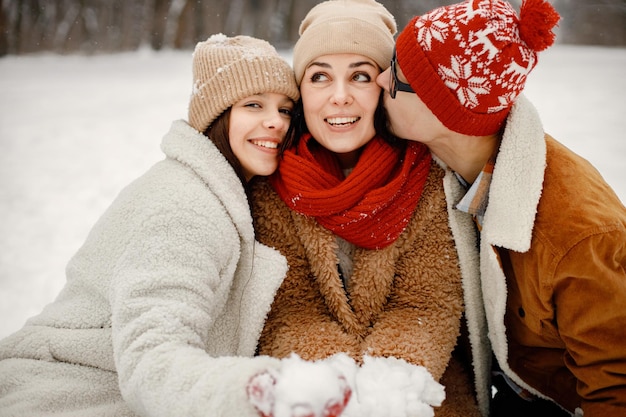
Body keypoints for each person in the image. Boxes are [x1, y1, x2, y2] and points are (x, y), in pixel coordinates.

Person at [0, 34, 353, 417]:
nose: (275, 122)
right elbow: (152, 353)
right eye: (253, 105)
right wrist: (253, 390)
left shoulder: (228, 191)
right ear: (218, 115)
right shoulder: (184, 205)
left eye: (285, 110)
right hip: (65, 394)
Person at [377, 0, 626, 415]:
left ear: (446, 110)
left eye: (398, 76)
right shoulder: (443, 162)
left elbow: (614, 390)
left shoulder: (578, 235)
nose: (381, 78)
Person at [250, 1, 483, 416]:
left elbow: (426, 304)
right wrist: (336, 388)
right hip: (311, 390)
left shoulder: (427, 176)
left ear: (384, 86)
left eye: (359, 76)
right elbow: (290, 308)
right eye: (320, 76)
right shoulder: (273, 184)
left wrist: (386, 392)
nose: (340, 97)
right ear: (301, 92)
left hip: (418, 390)